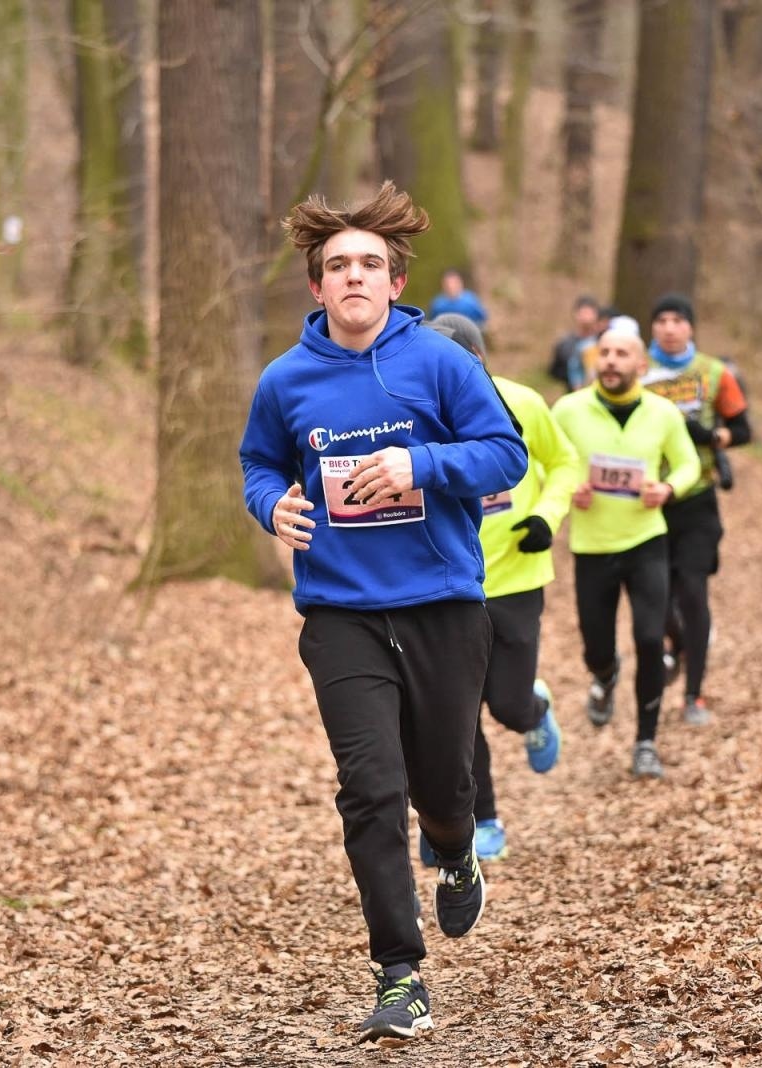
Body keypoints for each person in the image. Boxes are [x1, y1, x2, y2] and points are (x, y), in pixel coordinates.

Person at [238, 182, 527, 1042]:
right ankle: (398, 974)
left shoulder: (441, 364)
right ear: (317, 288)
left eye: (370, 264)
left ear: (396, 283)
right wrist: (271, 508)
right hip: (342, 615)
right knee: (371, 790)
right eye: (338, 266)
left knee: (441, 786)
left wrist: (419, 467)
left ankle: (456, 844)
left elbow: (502, 451)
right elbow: (258, 463)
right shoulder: (284, 381)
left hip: (442, 605)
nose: (354, 277)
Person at [424, 313, 582, 862]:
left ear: (478, 359)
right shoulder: (414, 412)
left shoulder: (522, 402)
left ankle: (533, 711)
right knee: (459, 716)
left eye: (457, 362)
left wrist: (546, 516)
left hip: (516, 577)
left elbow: (564, 463)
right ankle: (482, 821)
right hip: (447, 584)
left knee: (506, 706)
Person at [551, 326, 700, 778]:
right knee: (597, 645)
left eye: (622, 354)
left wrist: (669, 487)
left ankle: (646, 742)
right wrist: (565, 486)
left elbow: (690, 461)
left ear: (641, 365)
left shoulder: (662, 413)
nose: (611, 360)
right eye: (606, 352)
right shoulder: (569, 410)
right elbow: (540, 460)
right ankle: (605, 674)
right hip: (592, 546)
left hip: (645, 542)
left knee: (651, 640)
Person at [639, 293, 751, 725]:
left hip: (698, 498)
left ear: (690, 327)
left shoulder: (715, 372)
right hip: (647, 499)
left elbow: (742, 428)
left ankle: (694, 695)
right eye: (661, 319)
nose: (669, 327)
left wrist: (711, 437)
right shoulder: (637, 370)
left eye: (677, 320)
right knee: (660, 598)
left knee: (693, 591)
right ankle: (681, 645)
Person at [547, 295, 602, 391]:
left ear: (596, 315)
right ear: (576, 314)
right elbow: (554, 371)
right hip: (572, 393)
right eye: (583, 313)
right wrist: (571, 375)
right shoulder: (565, 343)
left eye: (589, 313)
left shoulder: (603, 341)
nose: (586, 317)